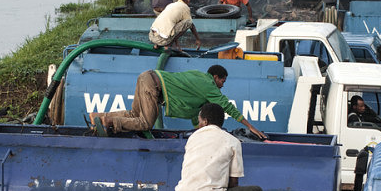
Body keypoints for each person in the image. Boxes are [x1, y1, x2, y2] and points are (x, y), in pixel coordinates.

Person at [90, 64, 268, 140]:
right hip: (154, 84)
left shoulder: (199, 81)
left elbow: (196, 116)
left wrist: (198, 132)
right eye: (222, 81)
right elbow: (227, 106)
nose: (222, 86)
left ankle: (97, 117)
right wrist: (251, 126)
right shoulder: (209, 85)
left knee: (134, 115)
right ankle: (109, 122)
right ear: (215, 77)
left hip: (147, 76)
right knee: (145, 123)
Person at [171, 103, 265, 191]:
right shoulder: (232, 141)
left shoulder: (193, 138)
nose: (199, 125)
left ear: (205, 122)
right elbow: (233, 183)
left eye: (199, 121)